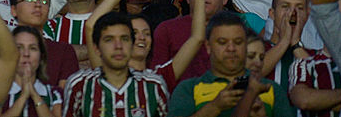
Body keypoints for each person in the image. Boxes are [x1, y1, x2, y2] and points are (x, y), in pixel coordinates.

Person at [166, 12, 294, 117]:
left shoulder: (269, 89)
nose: (231, 48)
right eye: (222, 42)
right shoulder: (189, 88)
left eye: (238, 42)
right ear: (208, 47)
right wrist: (215, 107)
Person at [62, 12, 170, 116]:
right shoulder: (80, 85)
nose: (118, 46)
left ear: (132, 44)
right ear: (96, 48)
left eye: (124, 39)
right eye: (109, 40)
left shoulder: (154, 86)